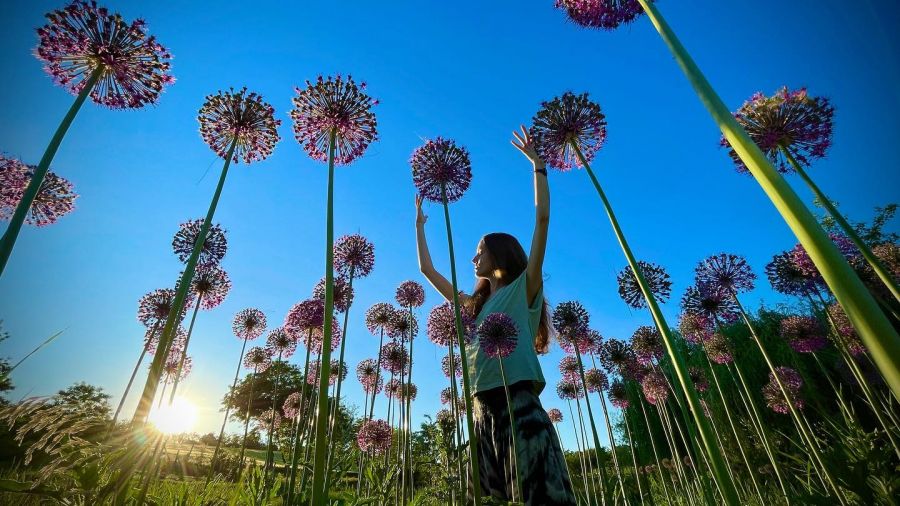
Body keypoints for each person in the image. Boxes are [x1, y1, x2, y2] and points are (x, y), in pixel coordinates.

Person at [415, 126, 576, 505]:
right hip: (480, 412)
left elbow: (542, 223)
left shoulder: (525, 288)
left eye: (479, 251)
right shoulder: (474, 306)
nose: (473, 259)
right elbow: (427, 270)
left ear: (499, 255)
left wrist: (539, 166)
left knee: (538, 497)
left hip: (519, 407)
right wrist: (419, 227)